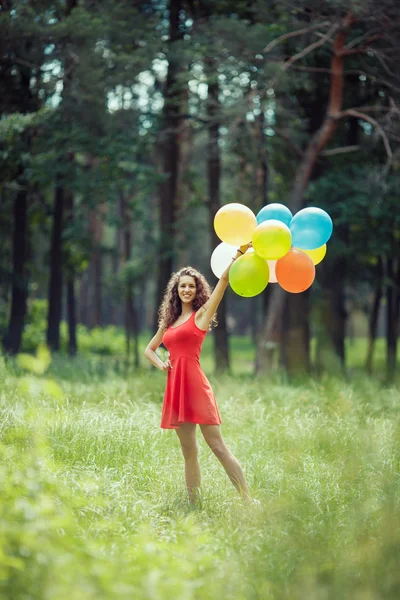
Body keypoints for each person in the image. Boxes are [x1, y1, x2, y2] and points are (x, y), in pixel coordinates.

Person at [144, 243, 256, 506]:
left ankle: (248, 501)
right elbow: (149, 349)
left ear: (197, 291)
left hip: (196, 387)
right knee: (188, 450)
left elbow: (224, 281)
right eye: (182, 285)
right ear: (176, 290)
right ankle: (194, 504)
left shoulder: (202, 315)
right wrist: (161, 365)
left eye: (191, 286)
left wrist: (238, 255)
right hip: (176, 388)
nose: (186, 289)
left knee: (217, 447)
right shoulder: (168, 323)